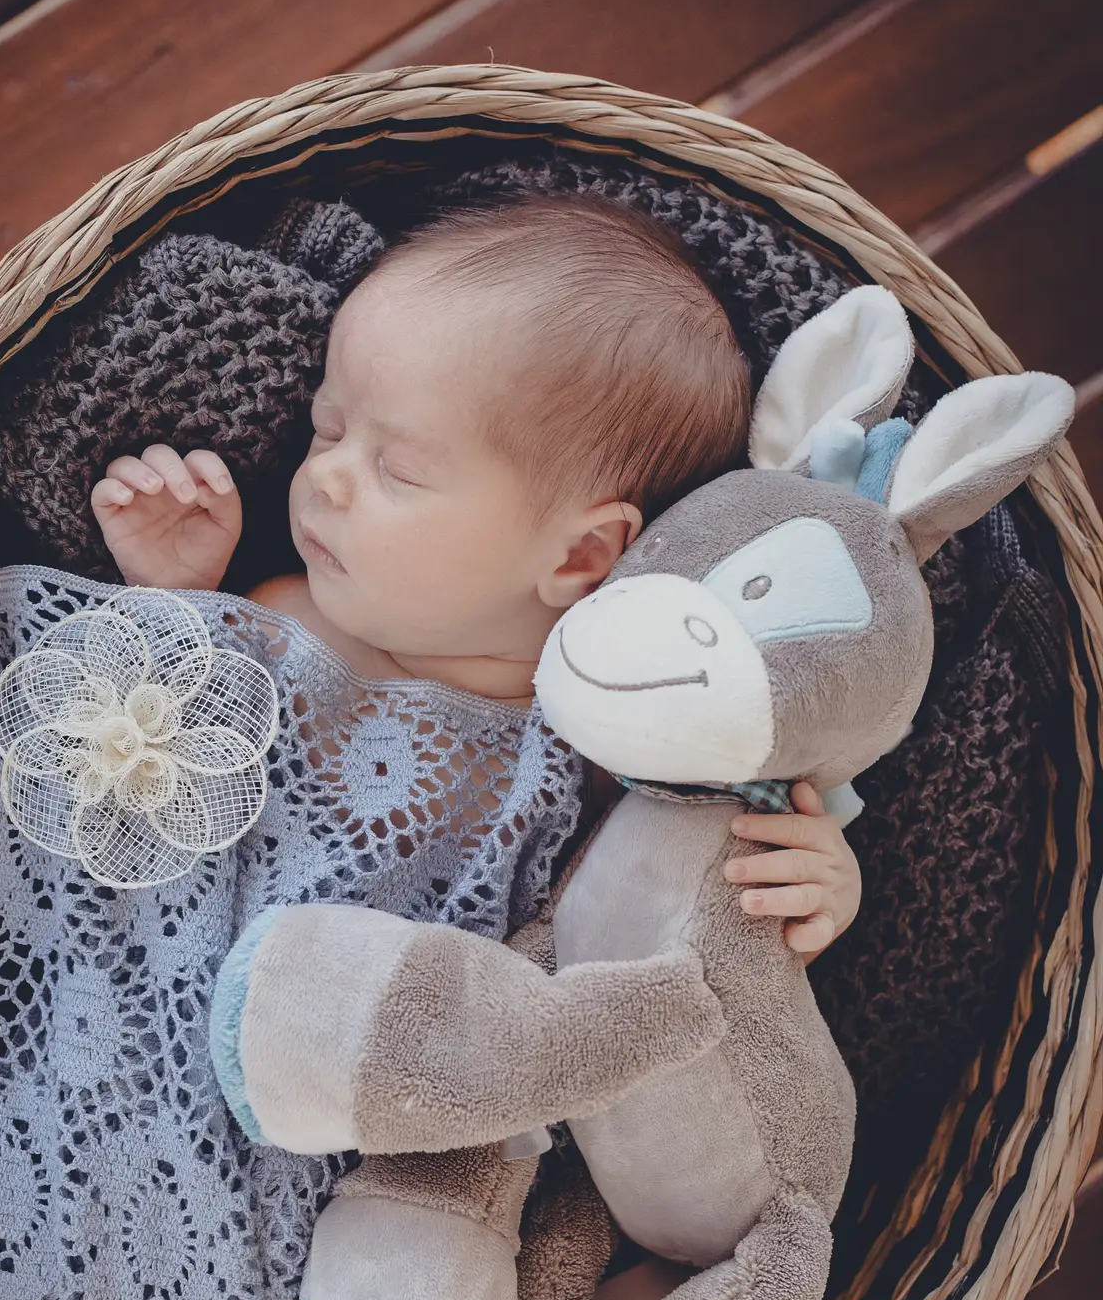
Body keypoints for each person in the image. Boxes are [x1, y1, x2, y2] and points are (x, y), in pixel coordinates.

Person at [92, 193, 861, 958]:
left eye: (396, 469)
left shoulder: (608, 752)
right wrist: (174, 596)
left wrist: (819, 884)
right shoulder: (285, 623)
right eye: (328, 428)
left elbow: (673, 920)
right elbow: (118, 791)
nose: (325, 474)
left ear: (578, 557)